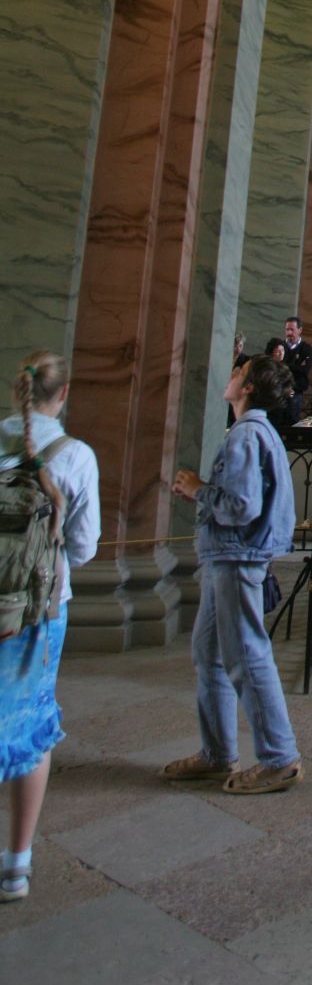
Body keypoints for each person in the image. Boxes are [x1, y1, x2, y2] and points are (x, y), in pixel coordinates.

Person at [164, 354, 303, 794]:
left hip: (236, 558)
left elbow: (243, 506)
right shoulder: (256, 431)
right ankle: (218, 752)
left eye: (237, 373)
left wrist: (199, 489)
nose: (230, 376)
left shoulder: (246, 435)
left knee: (246, 656)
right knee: (209, 653)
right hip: (226, 556)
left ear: (246, 388)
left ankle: (279, 757)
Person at [0, 353, 100, 904]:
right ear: (62, 396)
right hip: (38, 608)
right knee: (32, 722)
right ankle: (16, 863)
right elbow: (83, 547)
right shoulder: (76, 456)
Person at [281, 316, 312, 421]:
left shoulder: (306, 348)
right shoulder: (280, 346)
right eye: (287, 329)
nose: (289, 333)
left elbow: (305, 369)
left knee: (293, 420)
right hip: (279, 390)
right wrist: (296, 366)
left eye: (292, 330)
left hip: (296, 391)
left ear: (300, 330)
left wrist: (285, 365)